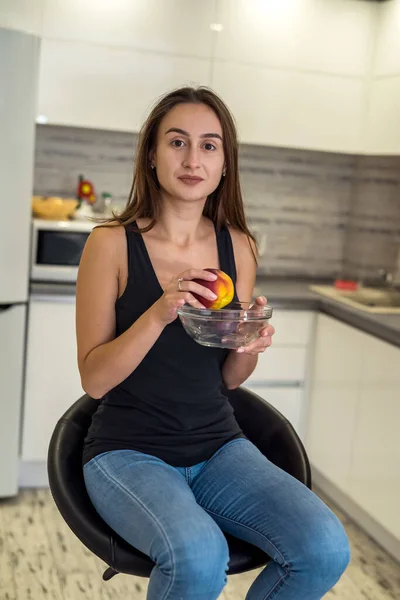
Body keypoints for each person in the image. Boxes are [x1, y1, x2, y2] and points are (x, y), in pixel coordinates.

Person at [77, 86, 350, 600]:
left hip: (219, 446)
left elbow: (228, 377)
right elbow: (94, 380)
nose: (192, 159)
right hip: (127, 452)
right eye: (177, 142)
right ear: (152, 155)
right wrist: (159, 312)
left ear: (225, 163)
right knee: (200, 559)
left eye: (209, 145)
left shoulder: (238, 246)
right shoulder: (110, 244)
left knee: (324, 549)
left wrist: (249, 344)